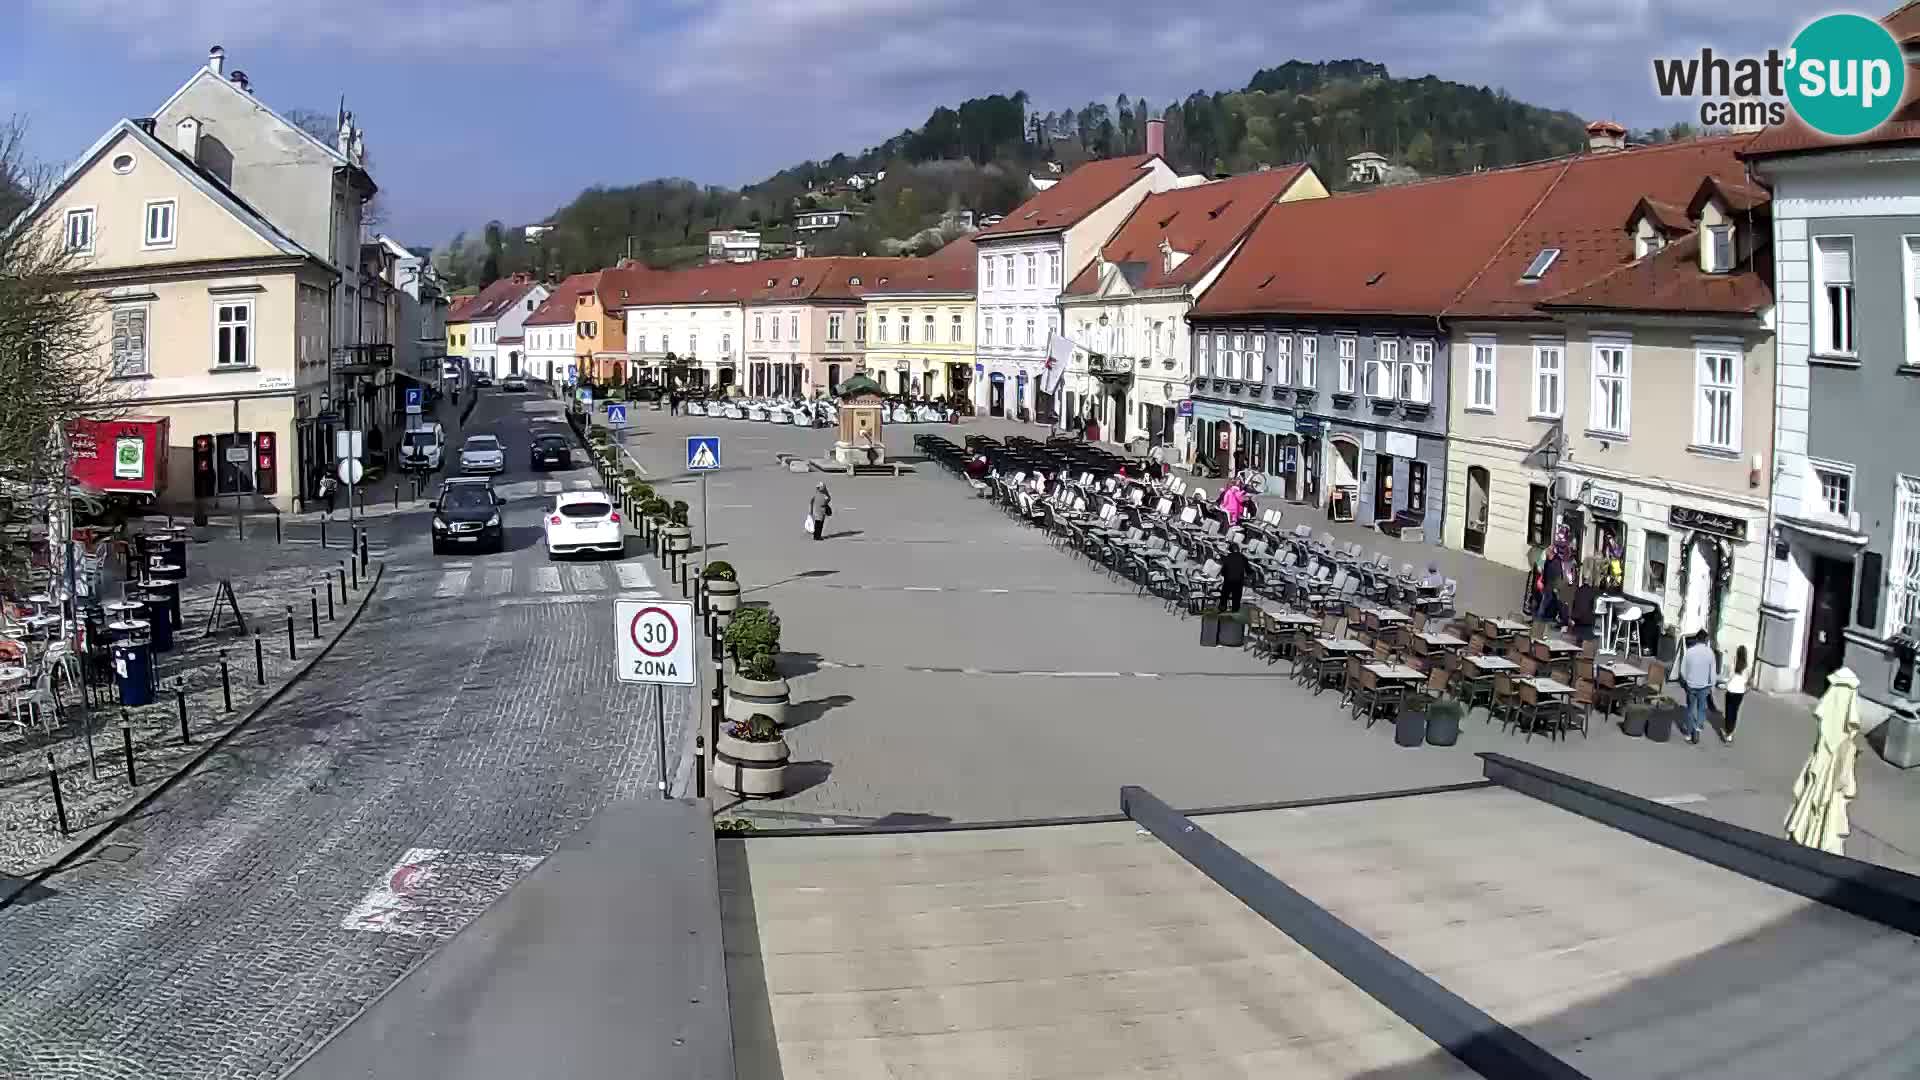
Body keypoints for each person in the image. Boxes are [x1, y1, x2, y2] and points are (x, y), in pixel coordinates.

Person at [1678, 630, 1717, 744]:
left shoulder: (1689, 652)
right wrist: (1712, 686)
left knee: (1690, 709)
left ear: (1696, 639)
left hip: (1691, 685)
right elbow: (1712, 672)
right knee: (1701, 708)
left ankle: (1690, 733)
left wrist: (1686, 680)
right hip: (1704, 686)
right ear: (1706, 639)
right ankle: (1698, 728)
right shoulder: (1710, 653)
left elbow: (1682, 670)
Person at [1720, 645, 1749, 745]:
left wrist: (1725, 684)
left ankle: (1727, 731)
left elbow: (1729, 676)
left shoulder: (1734, 661)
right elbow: (1746, 680)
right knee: (1735, 711)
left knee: (1729, 711)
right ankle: (1730, 734)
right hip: (1740, 691)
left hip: (1731, 689)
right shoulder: (1746, 666)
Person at [1218, 542, 1249, 613]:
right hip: (1238, 582)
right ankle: (1235, 611)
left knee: (1224, 595)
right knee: (1236, 598)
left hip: (1228, 581)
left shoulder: (1227, 558)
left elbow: (1223, 572)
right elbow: (1248, 570)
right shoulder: (1244, 558)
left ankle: (1222, 607)